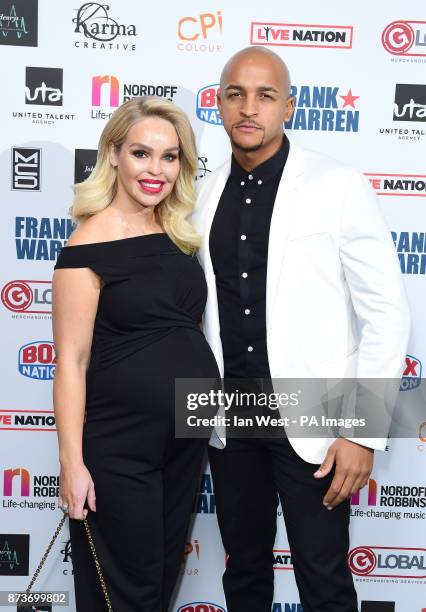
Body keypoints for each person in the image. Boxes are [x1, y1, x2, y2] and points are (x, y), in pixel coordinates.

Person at [192, 47, 410, 612]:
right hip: (228, 414)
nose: (249, 108)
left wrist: (362, 430)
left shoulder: (337, 186)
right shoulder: (198, 196)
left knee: (325, 579)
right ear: (217, 103)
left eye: (266, 95)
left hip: (316, 411)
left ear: (289, 105)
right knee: (243, 576)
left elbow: (386, 311)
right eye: (235, 93)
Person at [52, 96, 220, 612]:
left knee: (160, 578)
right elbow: (72, 361)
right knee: (123, 586)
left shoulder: (178, 235)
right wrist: (71, 463)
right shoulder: (85, 247)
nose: (156, 170)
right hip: (119, 444)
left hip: (184, 437)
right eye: (142, 153)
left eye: (170, 157)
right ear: (114, 154)